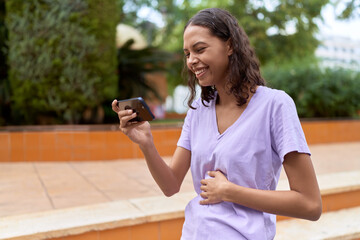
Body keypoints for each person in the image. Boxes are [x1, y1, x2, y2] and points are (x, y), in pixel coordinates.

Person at [112, 8, 322, 240]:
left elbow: (310, 204)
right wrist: (146, 143)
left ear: (230, 46)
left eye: (200, 49)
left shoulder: (275, 105)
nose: (191, 61)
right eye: (187, 53)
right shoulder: (198, 111)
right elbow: (170, 185)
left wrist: (230, 192)